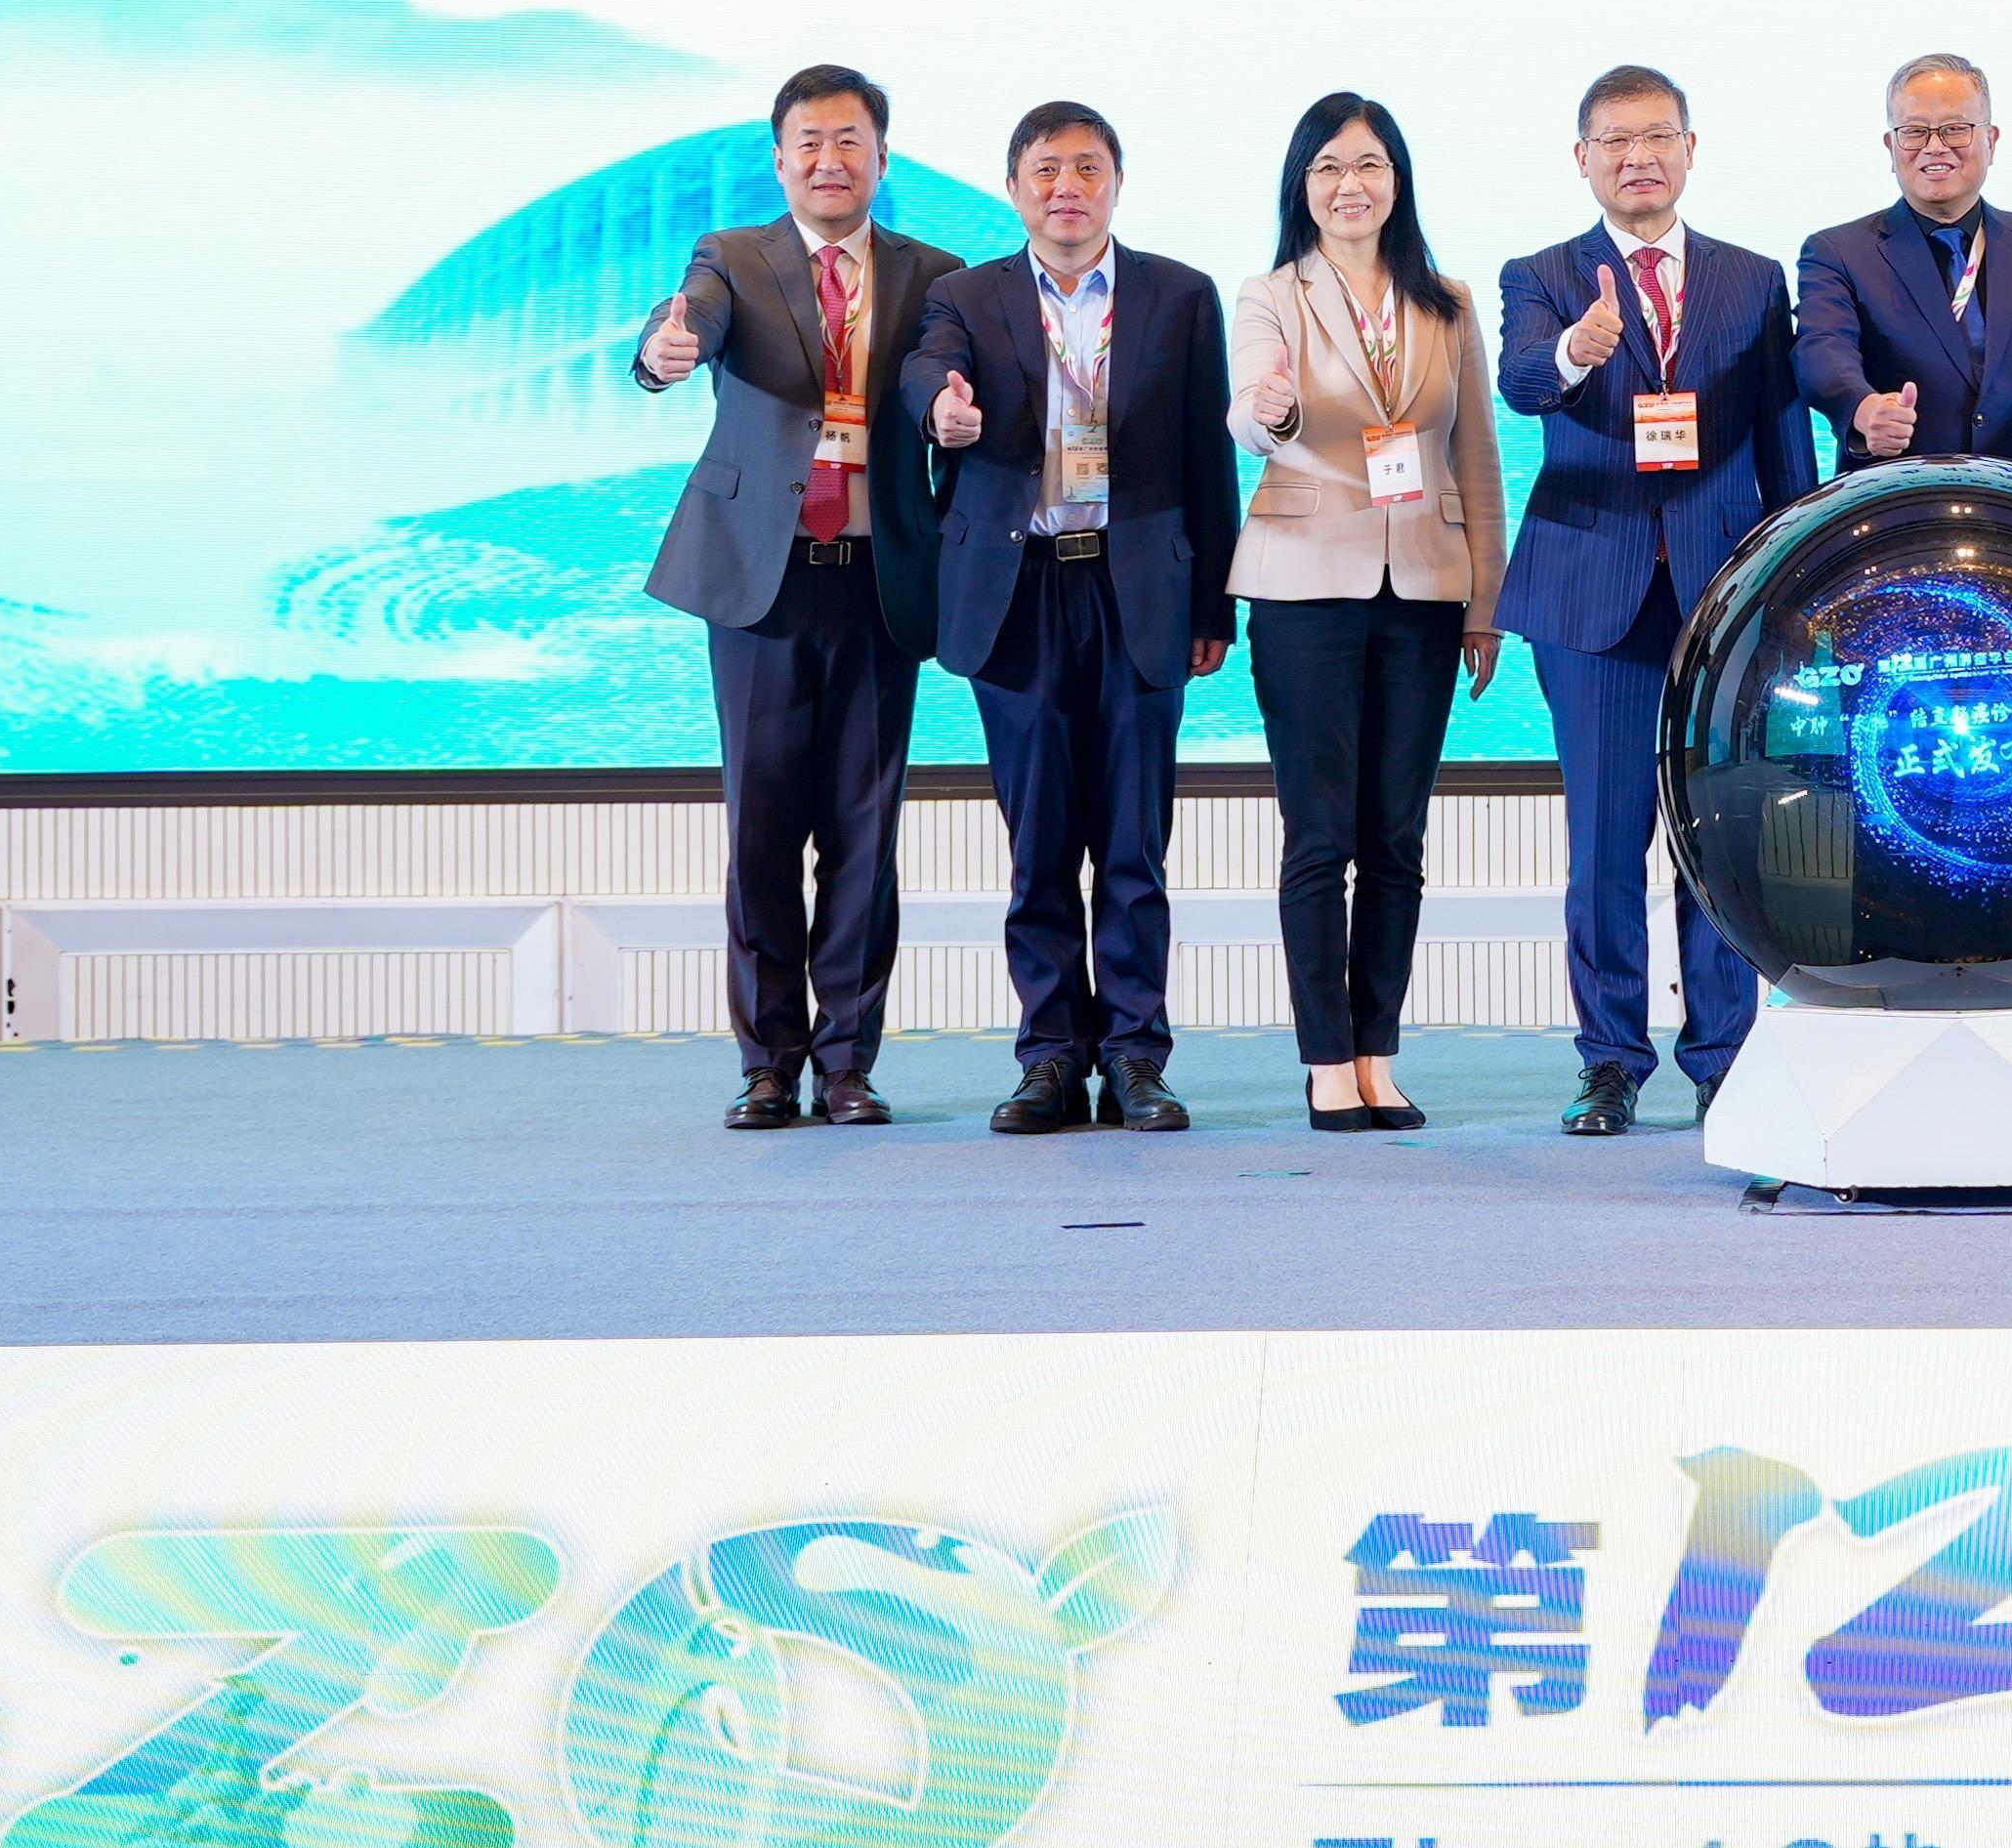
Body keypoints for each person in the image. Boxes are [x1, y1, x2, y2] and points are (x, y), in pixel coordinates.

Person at [1495, 63, 1823, 1135]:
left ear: (1690, 148)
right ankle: (1609, 1060)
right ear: (1581, 158)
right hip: (1594, 594)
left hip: (1725, 596)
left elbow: (1782, 438)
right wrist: (1573, 350)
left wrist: (1794, 589)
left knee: (1722, 836)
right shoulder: (1541, 274)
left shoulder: (1751, 277)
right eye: (1615, 141)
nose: (1637, 158)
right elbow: (1522, 381)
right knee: (1605, 841)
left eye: (1656, 137)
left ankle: (1725, 1058)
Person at [900, 103, 1239, 1135]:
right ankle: (1050, 1055)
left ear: (1117, 183)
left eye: (1088, 168)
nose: (1067, 187)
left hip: (1139, 591)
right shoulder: (967, 295)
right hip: (1018, 593)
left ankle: (1136, 1055)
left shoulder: (1180, 294)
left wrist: (1214, 604)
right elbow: (926, 370)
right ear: (1014, 188)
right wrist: (940, 411)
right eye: (1046, 169)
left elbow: (1207, 457)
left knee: (1134, 845)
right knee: (1040, 843)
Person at [634, 64, 957, 1133]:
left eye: (849, 140)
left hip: (877, 582)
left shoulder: (933, 272)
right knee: (762, 830)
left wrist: (948, 410)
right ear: (779, 160)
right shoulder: (732, 257)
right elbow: (691, 321)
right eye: (809, 143)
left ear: (882, 157)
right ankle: (768, 1063)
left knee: (865, 832)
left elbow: (931, 376)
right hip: (761, 586)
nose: (829, 160)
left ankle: (848, 1063)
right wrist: (663, 353)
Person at [1231, 87, 1504, 1135]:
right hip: (1304, 586)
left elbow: (1475, 456)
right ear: (1303, 186)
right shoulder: (1271, 294)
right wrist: (1270, 410)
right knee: (1320, 835)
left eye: (1369, 165)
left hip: (1424, 591)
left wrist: (1485, 603)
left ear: (1397, 180)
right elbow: (1251, 406)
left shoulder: (1447, 300)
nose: (1351, 185)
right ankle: (1325, 1059)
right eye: (1330, 167)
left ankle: (1378, 1053)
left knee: (1396, 836)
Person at [1792, 48, 2012, 486]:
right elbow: (1820, 350)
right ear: (1891, 146)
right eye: (1914, 132)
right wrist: (1864, 409)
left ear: (1991, 140)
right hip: (1899, 509)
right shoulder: (1838, 252)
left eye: (1955, 129)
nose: (1935, 147)